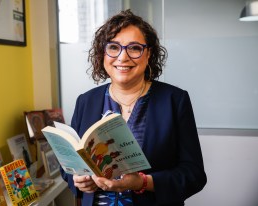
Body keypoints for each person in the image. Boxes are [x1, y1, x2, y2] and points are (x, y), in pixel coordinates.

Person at [61, 9, 207, 206]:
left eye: (135, 48)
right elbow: (69, 166)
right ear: (102, 53)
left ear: (148, 54)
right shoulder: (85, 101)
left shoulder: (174, 100)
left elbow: (194, 174)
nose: (122, 57)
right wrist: (79, 179)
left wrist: (143, 182)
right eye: (113, 47)